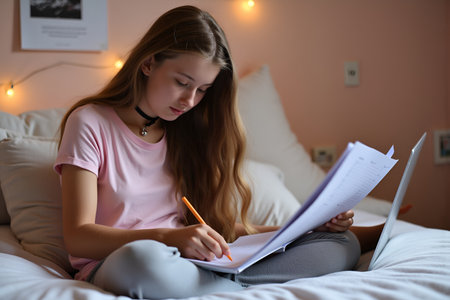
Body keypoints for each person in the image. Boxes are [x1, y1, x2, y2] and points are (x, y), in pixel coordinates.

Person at [54, 5, 374, 299]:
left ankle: (226, 285)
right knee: (142, 261)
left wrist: (307, 227)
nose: (190, 101)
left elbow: (219, 231)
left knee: (340, 244)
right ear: (148, 63)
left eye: (202, 90)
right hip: (129, 261)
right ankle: (239, 284)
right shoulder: (90, 122)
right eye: (182, 82)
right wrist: (169, 238)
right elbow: (78, 237)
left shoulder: (184, 131)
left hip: (195, 264)